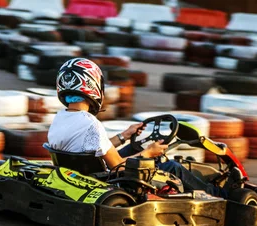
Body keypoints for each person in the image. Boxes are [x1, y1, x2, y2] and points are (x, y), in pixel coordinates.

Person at [47, 58, 244, 198]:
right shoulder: (91, 124)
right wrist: (148, 153)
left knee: (134, 148)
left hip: (82, 173)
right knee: (171, 166)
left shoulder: (61, 118)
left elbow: (91, 147)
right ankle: (221, 195)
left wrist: (124, 136)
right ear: (92, 86)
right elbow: (118, 167)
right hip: (106, 178)